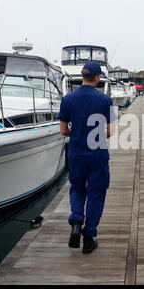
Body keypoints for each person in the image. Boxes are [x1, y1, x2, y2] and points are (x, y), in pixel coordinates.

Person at [58, 61, 116, 254]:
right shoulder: (105, 100)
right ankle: (89, 237)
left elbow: (63, 130)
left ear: (83, 77)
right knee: (96, 193)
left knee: (77, 188)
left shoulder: (68, 99)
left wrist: (76, 134)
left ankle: (76, 222)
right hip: (97, 155)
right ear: (97, 78)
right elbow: (111, 131)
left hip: (77, 154)